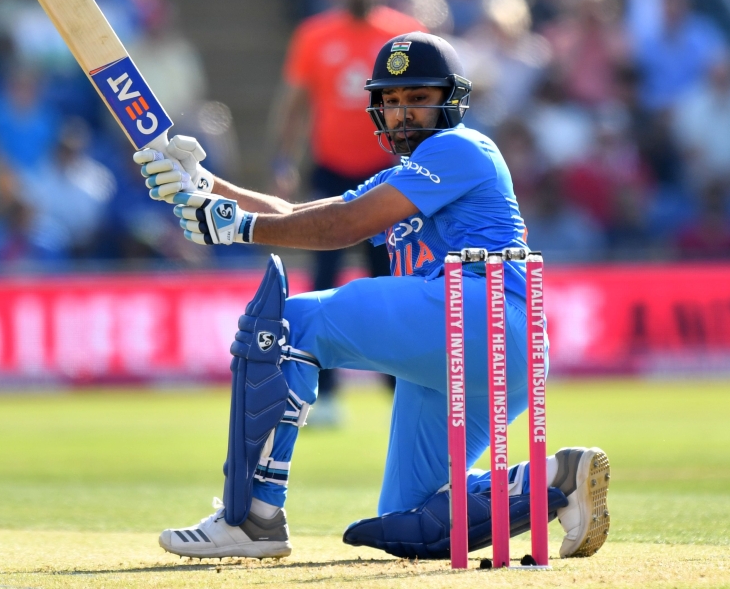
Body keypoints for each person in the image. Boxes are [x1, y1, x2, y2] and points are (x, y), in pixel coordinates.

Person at [134, 33, 611, 561]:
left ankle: (252, 517)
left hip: (481, 313)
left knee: (290, 324)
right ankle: (555, 478)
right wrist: (203, 184)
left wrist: (237, 227)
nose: (402, 112)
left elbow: (345, 225)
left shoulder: (460, 147)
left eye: (418, 99)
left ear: (451, 100)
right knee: (413, 519)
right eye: (392, 100)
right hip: (485, 349)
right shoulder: (405, 176)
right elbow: (295, 213)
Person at [271, 0, 426, 425]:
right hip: (332, 168)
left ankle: (399, 386)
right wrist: (283, 156)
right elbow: (294, 101)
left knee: (392, 281)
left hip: (388, 175)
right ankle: (326, 391)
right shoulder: (315, 35)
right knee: (324, 279)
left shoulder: (403, 34)